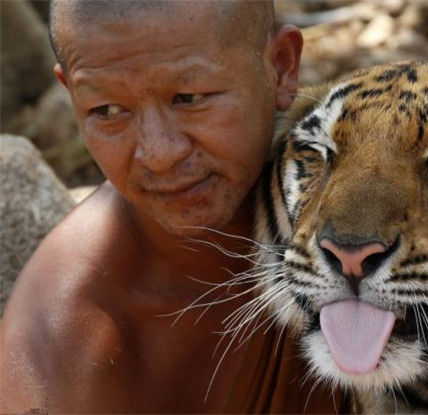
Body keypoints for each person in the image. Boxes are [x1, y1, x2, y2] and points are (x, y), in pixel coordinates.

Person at [0, 1, 343, 412]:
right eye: (107, 111)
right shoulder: (68, 348)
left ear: (282, 67)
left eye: (188, 97)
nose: (159, 153)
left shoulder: (371, 201)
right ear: (71, 95)